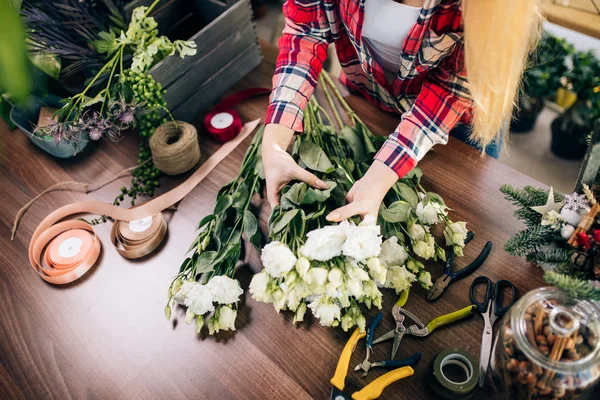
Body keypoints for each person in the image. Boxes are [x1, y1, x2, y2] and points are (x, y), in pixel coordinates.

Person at [261, 0, 540, 222]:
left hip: (455, 127)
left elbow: (451, 93)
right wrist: (274, 141)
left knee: (464, 214)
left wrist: (380, 177)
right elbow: (306, 32)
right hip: (369, 98)